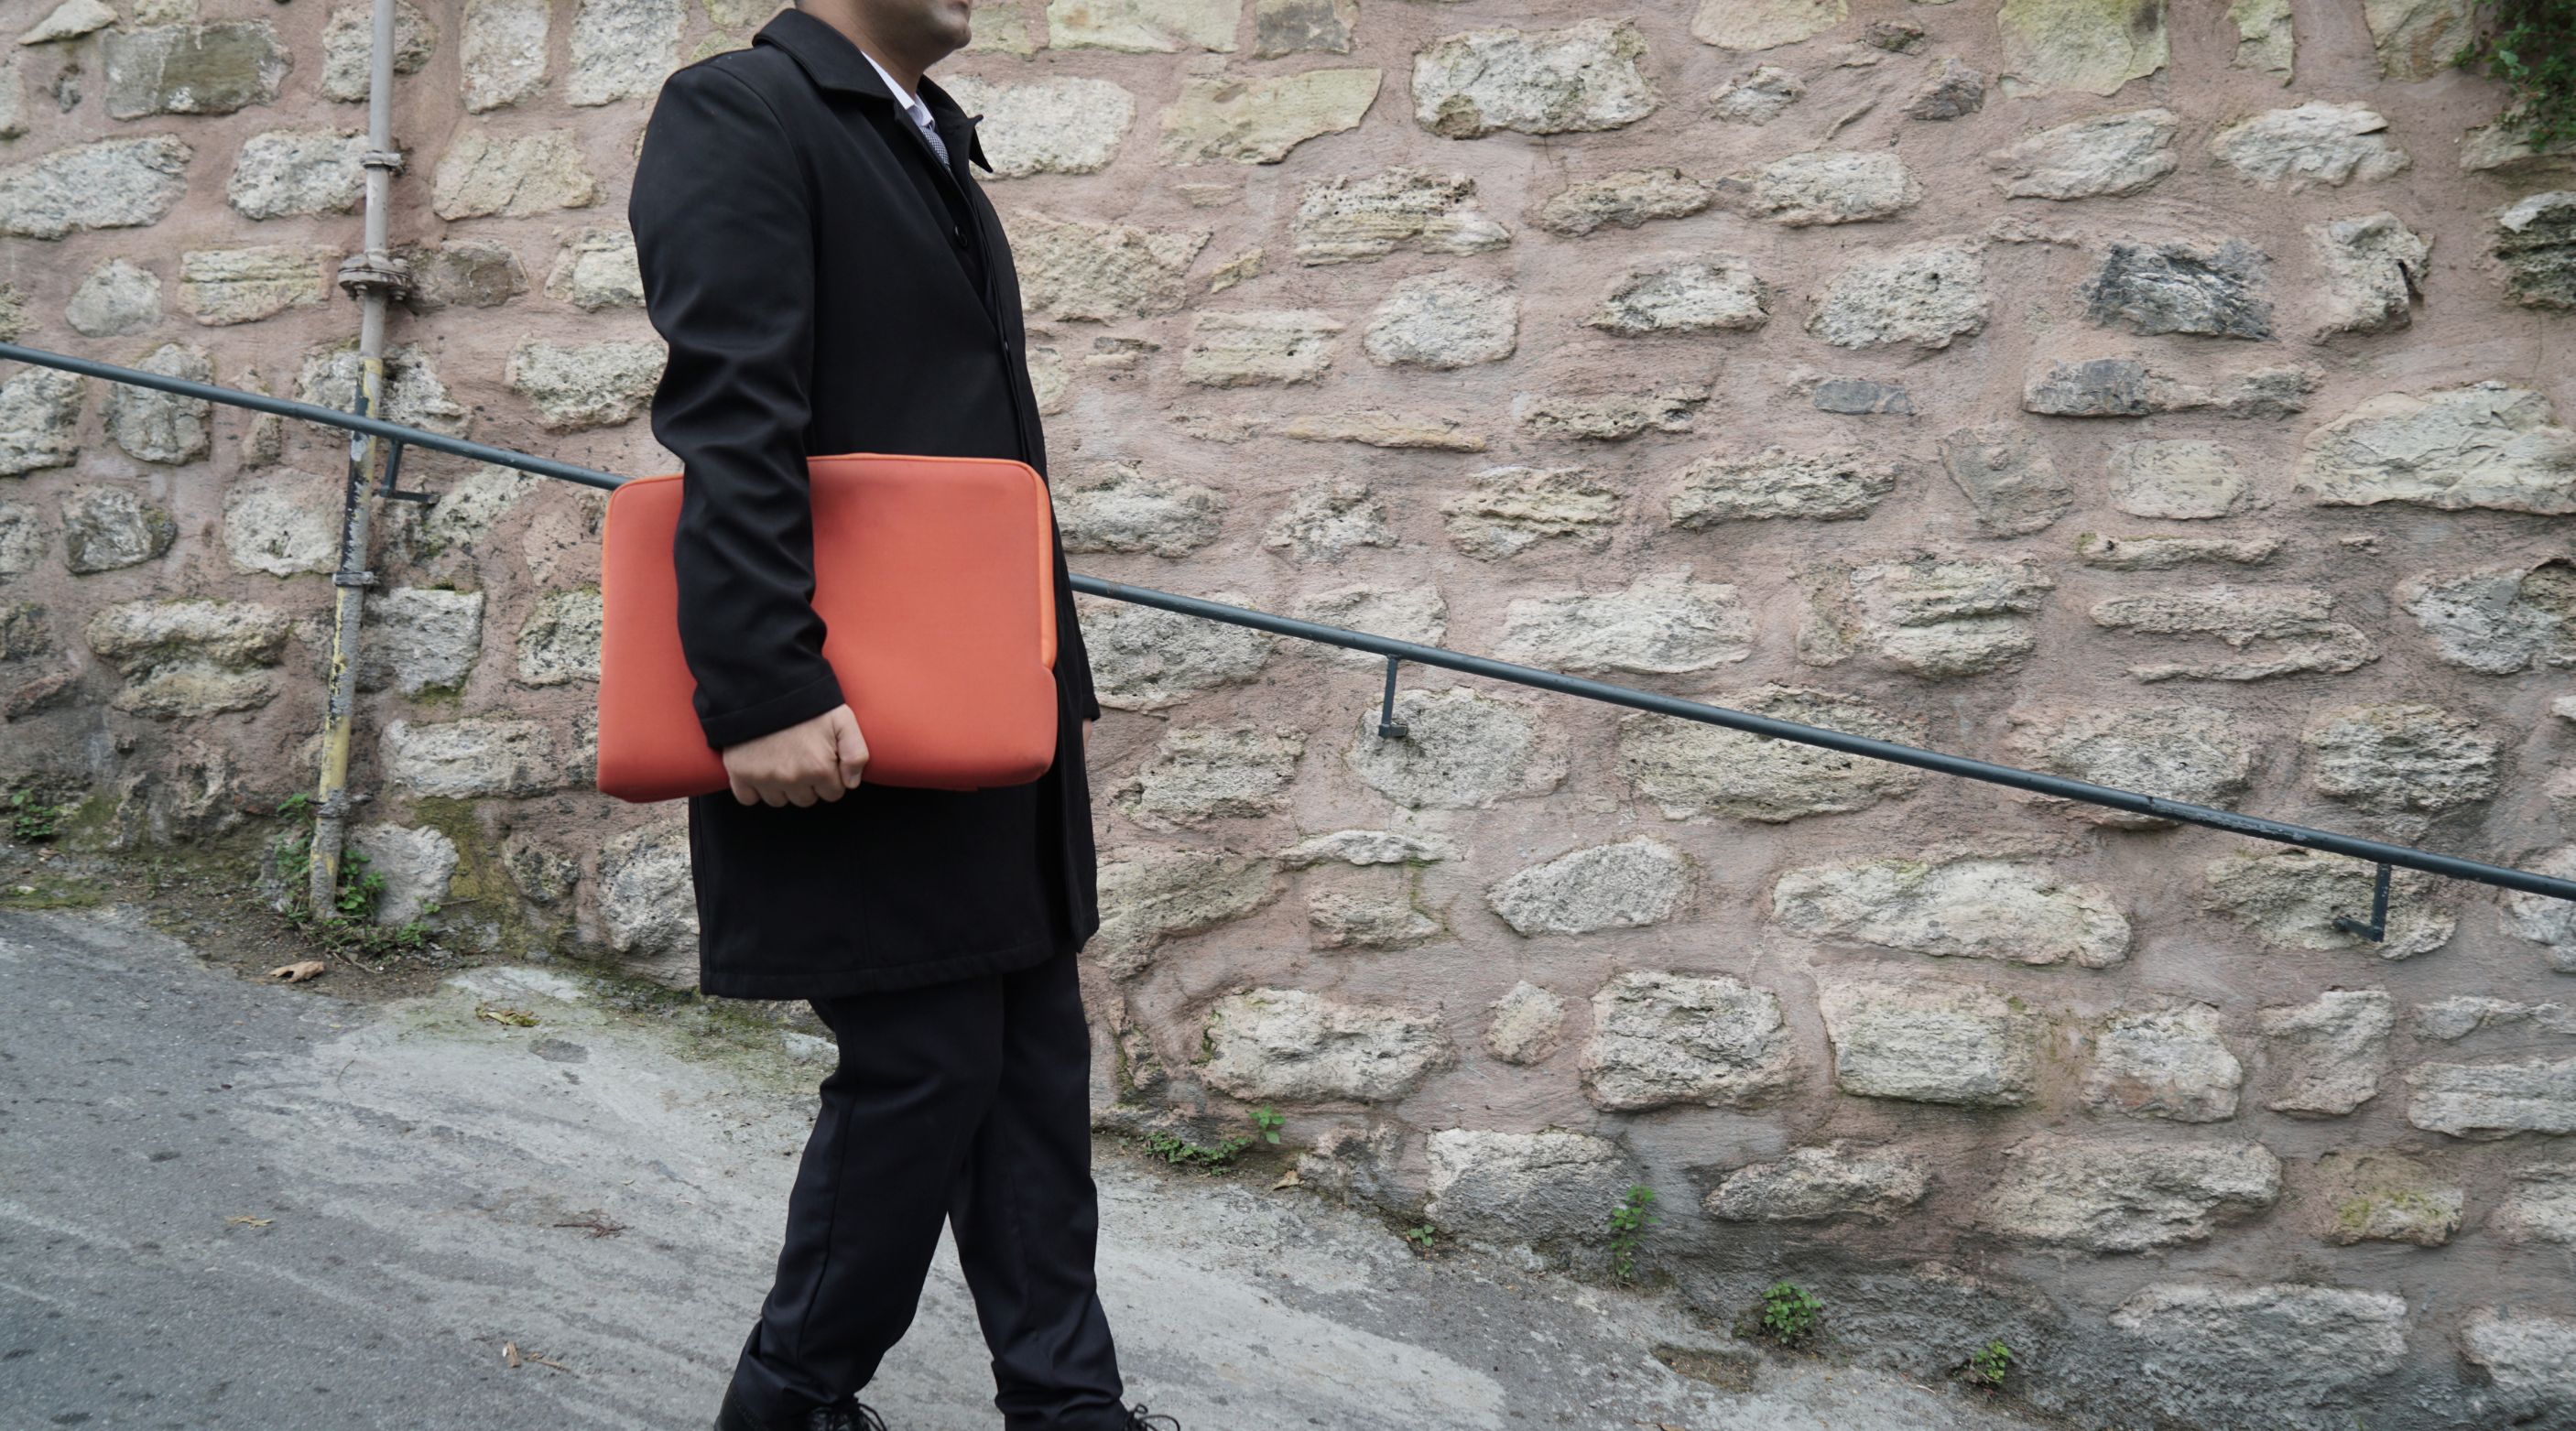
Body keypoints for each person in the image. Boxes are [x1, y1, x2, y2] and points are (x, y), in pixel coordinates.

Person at [628, 3, 1171, 1427]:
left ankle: (1067, 1406)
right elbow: (731, 412)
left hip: (989, 697)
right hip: (847, 706)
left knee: (1029, 1061)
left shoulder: (926, 136)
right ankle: (791, 1398)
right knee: (924, 1062)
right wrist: (764, 686)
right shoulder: (742, 107)